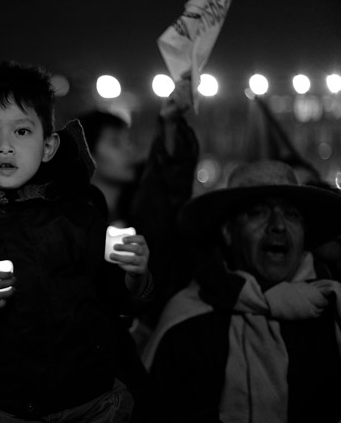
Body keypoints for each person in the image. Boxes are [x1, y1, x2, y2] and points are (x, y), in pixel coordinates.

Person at [0, 60, 153, 423]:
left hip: (91, 402)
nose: (5, 146)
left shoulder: (78, 213)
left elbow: (115, 299)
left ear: (48, 145)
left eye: (22, 132)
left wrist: (135, 273)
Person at [142, 160, 341, 423]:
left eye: (292, 215)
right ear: (228, 231)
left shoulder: (333, 313)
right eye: (257, 213)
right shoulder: (187, 325)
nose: (278, 225)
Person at [78, 77, 198, 338]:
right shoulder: (68, 223)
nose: (128, 150)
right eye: (115, 143)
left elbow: (170, 181)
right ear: (86, 154)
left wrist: (169, 122)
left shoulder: (141, 214)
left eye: (128, 141)